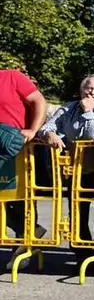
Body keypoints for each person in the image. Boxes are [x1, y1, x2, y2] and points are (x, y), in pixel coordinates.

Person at [39, 74, 94, 265]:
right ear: (81, 89)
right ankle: (82, 252)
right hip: (75, 168)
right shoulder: (68, 107)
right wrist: (49, 134)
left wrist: (88, 112)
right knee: (77, 210)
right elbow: (48, 125)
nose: (92, 92)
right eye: (88, 88)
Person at [0, 69, 49, 270]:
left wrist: (33, 130)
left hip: (19, 151)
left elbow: (39, 101)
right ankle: (30, 231)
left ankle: (23, 248)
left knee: (21, 201)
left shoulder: (11, 77)